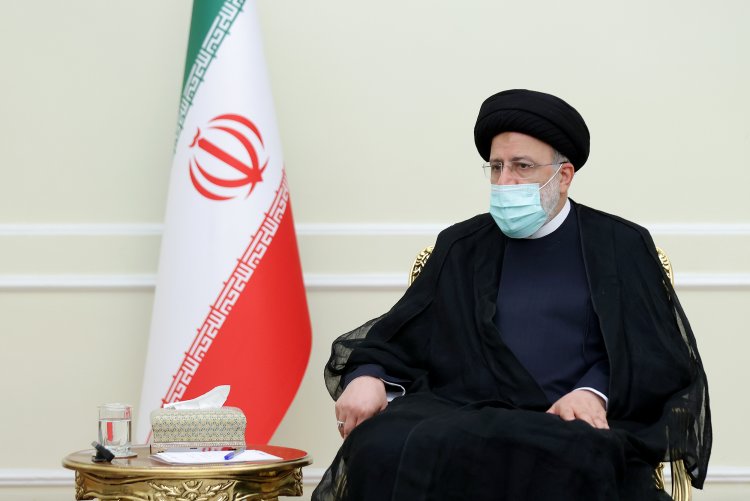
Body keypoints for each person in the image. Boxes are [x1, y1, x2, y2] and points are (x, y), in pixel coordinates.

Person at [312, 89, 711, 501]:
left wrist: (594, 392)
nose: (505, 182)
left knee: (567, 454)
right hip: (462, 413)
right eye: (497, 167)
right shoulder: (461, 245)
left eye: (522, 166)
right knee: (381, 444)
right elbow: (401, 337)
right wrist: (369, 377)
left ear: (564, 175)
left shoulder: (620, 245)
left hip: (565, 423)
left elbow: (654, 353)